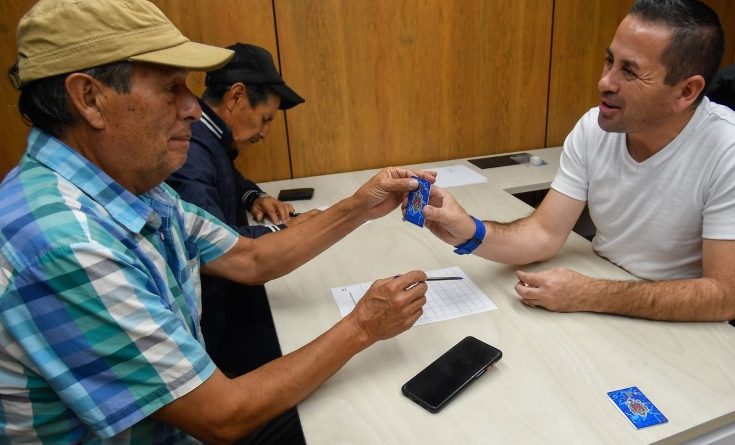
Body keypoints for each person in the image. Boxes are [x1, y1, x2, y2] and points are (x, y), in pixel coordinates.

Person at [0, 0, 432, 443]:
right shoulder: (68, 243)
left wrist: (360, 205)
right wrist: (363, 325)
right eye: (171, 88)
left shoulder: (133, 186)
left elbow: (251, 258)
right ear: (90, 99)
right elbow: (221, 417)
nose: (193, 108)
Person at [420, 0, 735, 322]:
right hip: (607, 297)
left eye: (629, 72)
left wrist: (589, 293)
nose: (605, 82)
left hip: (681, 325)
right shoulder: (594, 127)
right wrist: (470, 230)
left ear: (686, 91)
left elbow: (726, 296)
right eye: (609, 61)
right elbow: (544, 233)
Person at [166, 43, 314, 376]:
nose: (265, 133)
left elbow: (226, 175)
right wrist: (290, 229)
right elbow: (218, 243)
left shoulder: (210, 137)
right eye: (265, 120)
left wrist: (253, 196)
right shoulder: (191, 147)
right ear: (235, 96)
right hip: (218, 326)